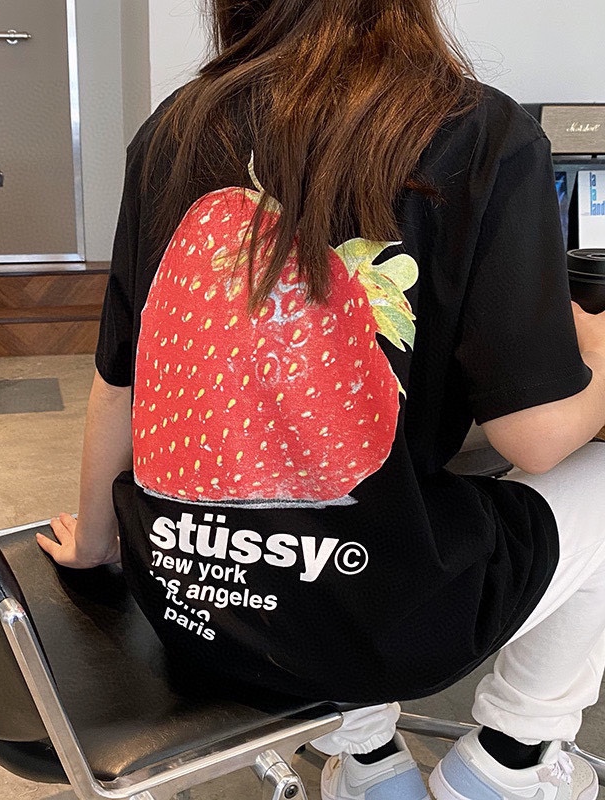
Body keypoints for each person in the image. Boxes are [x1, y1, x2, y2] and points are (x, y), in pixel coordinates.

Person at [37, 2, 605, 798]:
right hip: (372, 620)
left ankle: (368, 761)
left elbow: (120, 379)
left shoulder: (173, 129)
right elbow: (538, 439)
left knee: (314, 461)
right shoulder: (480, 133)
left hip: (187, 606)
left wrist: (100, 543)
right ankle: (513, 760)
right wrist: (598, 357)